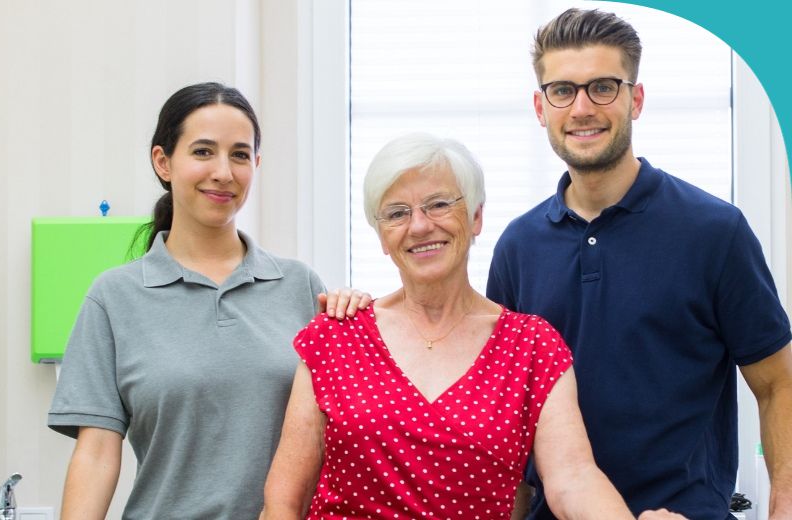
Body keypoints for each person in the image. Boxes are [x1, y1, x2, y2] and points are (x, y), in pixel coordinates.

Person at [261, 133, 684, 519]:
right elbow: (284, 501)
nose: (421, 225)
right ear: (381, 235)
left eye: (440, 204)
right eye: (397, 213)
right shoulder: (335, 337)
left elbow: (572, 477)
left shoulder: (532, 345)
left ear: (477, 217)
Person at [487, 8, 792, 519]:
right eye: (563, 91)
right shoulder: (518, 247)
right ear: (541, 107)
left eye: (603, 87)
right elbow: (508, 417)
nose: (582, 107)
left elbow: (777, 383)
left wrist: (783, 505)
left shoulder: (714, 231)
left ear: (637, 98)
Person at [46, 82, 370, 519]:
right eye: (202, 152)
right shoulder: (114, 297)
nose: (223, 172)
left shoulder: (299, 286)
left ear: (255, 164)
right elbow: (97, 455)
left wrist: (362, 316)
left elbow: (348, 430)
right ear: (163, 162)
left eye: (239, 154)